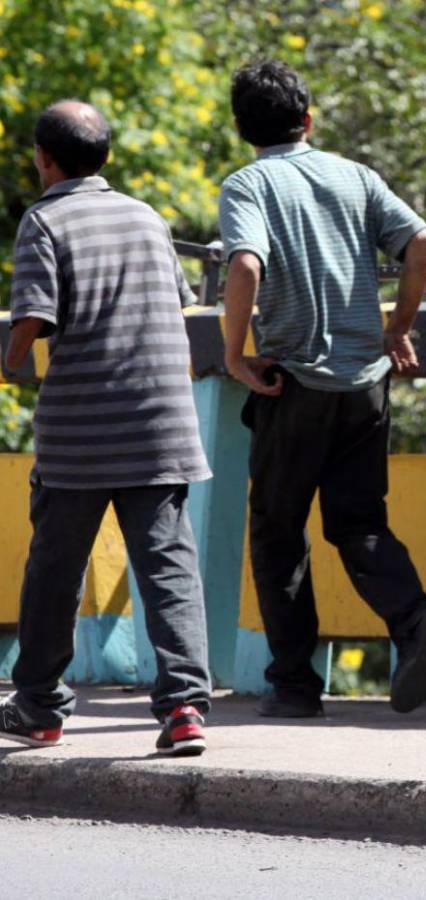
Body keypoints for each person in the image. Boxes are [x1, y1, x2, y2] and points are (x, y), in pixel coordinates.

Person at [219, 60, 426, 718]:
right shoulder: (357, 176)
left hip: (294, 383)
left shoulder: (249, 184)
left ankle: (294, 686)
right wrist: (397, 327)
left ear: (241, 128)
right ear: (309, 119)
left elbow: (243, 264)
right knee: (358, 523)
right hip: (366, 385)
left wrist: (235, 356)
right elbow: (422, 244)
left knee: (277, 530)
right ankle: (415, 618)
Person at [0, 101, 212, 756]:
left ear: (44, 159)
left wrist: (9, 362)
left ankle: (38, 706)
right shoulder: (146, 217)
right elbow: (177, 300)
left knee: (55, 570)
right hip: (161, 424)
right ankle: (183, 711)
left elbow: (33, 315)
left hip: (82, 433)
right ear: (108, 157)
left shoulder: (45, 221)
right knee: (168, 566)